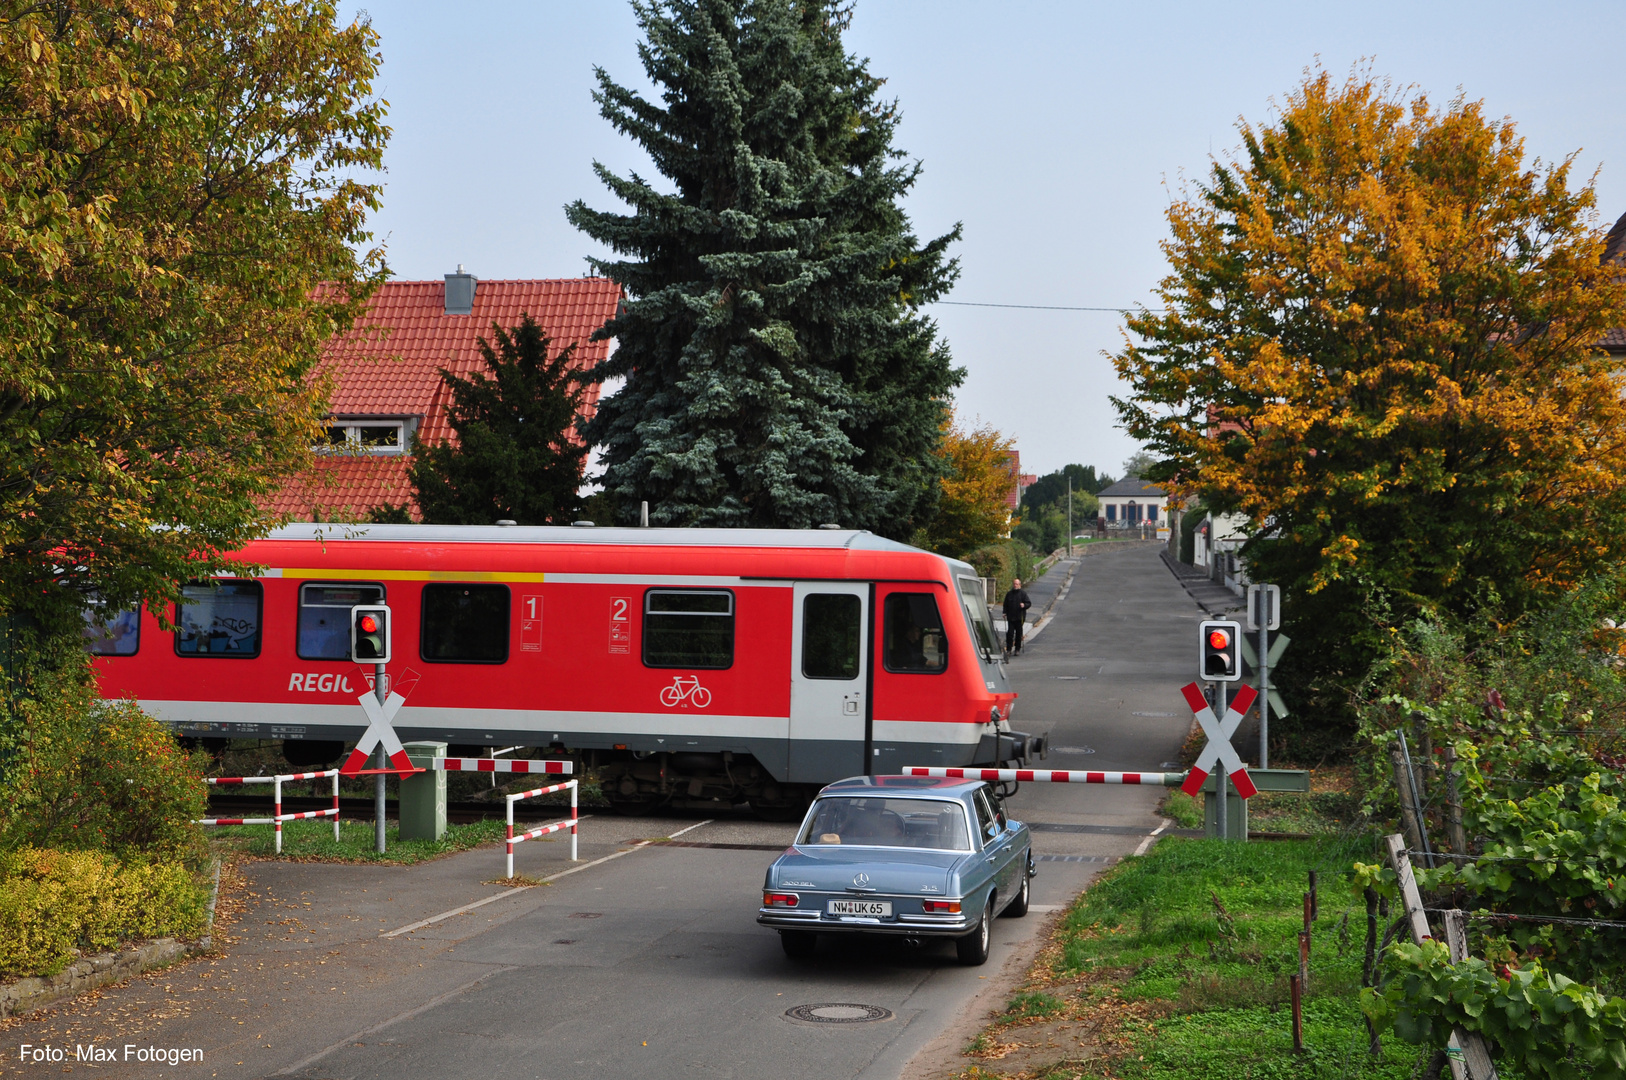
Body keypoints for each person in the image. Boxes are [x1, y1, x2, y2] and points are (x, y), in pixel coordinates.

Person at [1002, 578, 1032, 655]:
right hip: (1011, 617)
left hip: (1019, 618)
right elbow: (1005, 604)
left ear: (1020, 585)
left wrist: (1024, 605)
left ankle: (1017, 649)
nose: (1015, 585)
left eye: (1017, 584)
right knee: (1010, 634)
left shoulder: (1023, 594)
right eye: (1014, 584)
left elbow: (1028, 603)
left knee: (1018, 634)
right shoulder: (1009, 594)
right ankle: (1009, 649)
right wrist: (1004, 612)